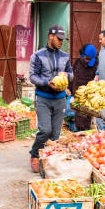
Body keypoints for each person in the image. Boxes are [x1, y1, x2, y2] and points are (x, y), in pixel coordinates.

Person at [29, 24, 73, 172]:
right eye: (59, 39)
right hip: (43, 98)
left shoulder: (65, 56)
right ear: (50, 36)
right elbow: (32, 76)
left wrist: (68, 76)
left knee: (55, 135)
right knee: (45, 130)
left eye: (63, 39)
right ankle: (35, 153)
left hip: (60, 99)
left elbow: (71, 74)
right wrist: (46, 83)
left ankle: (48, 161)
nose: (61, 42)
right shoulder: (37, 55)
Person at [71, 44, 98, 131]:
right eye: (86, 58)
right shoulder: (78, 63)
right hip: (78, 91)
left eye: (89, 59)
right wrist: (70, 90)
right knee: (79, 113)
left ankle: (84, 130)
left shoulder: (95, 64)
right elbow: (73, 77)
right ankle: (80, 129)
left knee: (86, 114)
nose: (87, 61)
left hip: (88, 93)